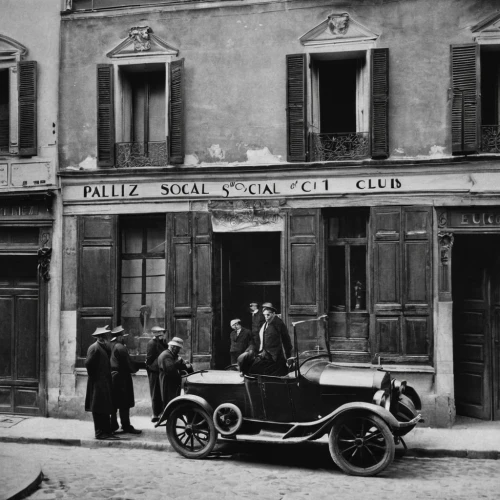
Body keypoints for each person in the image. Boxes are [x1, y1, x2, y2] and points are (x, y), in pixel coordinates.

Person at [238, 302, 293, 377]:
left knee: (258, 371)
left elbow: (286, 340)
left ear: (273, 314)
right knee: (250, 366)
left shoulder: (278, 323)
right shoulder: (265, 324)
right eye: (265, 315)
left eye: (268, 315)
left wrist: (288, 356)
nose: (266, 317)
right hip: (265, 354)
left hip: (275, 357)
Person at [84, 325, 119, 440]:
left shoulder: (102, 347)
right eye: (104, 336)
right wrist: (95, 377)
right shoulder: (94, 348)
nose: (107, 338)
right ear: (100, 337)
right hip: (97, 383)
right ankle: (99, 433)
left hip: (103, 383)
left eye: (106, 336)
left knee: (105, 407)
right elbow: (88, 364)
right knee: (98, 408)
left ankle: (106, 431)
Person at [109, 325, 142, 434]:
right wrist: (137, 368)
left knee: (113, 403)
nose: (124, 338)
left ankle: (112, 426)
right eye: (122, 336)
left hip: (112, 378)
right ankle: (126, 425)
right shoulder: (120, 347)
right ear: (118, 337)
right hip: (122, 379)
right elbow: (128, 364)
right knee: (125, 403)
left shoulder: (110, 345)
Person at [158, 337, 194, 408]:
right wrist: (183, 367)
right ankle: (170, 417)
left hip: (173, 383)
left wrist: (186, 366)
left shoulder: (172, 355)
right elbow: (171, 371)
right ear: (172, 347)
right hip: (168, 383)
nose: (179, 350)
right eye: (177, 348)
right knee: (169, 402)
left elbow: (177, 365)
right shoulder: (166, 356)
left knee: (173, 400)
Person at [146, 326, 167, 422]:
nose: (162, 335)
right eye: (159, 333)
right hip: (154, 371)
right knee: (155, 392)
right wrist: (152, 368)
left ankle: (161, 413)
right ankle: (155, 414)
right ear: (155, 334)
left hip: (161, 371)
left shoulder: (163, 343)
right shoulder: (152, 343)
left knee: (161, 392)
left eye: (162, 333)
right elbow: (149, 359)